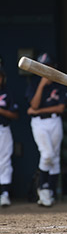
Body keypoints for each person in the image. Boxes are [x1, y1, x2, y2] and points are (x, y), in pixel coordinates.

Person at [26, 52, 67, 207]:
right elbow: (34, 105)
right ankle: (42, 187)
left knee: (55, 158)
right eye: (42, 67)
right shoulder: (35, 82)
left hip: (54, 120)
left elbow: (61, 107)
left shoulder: (59, 83)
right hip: (39, 124)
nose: (45, 69)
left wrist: (37, 111)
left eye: (48, 66)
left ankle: (50, 192)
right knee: (47, 155)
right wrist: (42, 85)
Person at [0, 65, 19, 207]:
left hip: (3, 129)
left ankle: (5, 193)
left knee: (4, 161)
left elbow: (15, 114)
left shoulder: (7, 93)